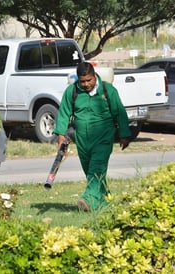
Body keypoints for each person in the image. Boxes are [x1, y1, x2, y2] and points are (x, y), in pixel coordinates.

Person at [53, 62, 131, 211]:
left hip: (103, 137)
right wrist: (61, 136)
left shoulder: (108, 90)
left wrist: (124, 134)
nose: (86, 84)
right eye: (82, 81)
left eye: (89, 80)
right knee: (92, 172)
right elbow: (64, 113)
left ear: (95, 76)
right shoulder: (72, 91)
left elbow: (120, 112)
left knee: (96, 169)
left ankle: (87, 199)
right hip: (82, 139)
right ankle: (104, 202)